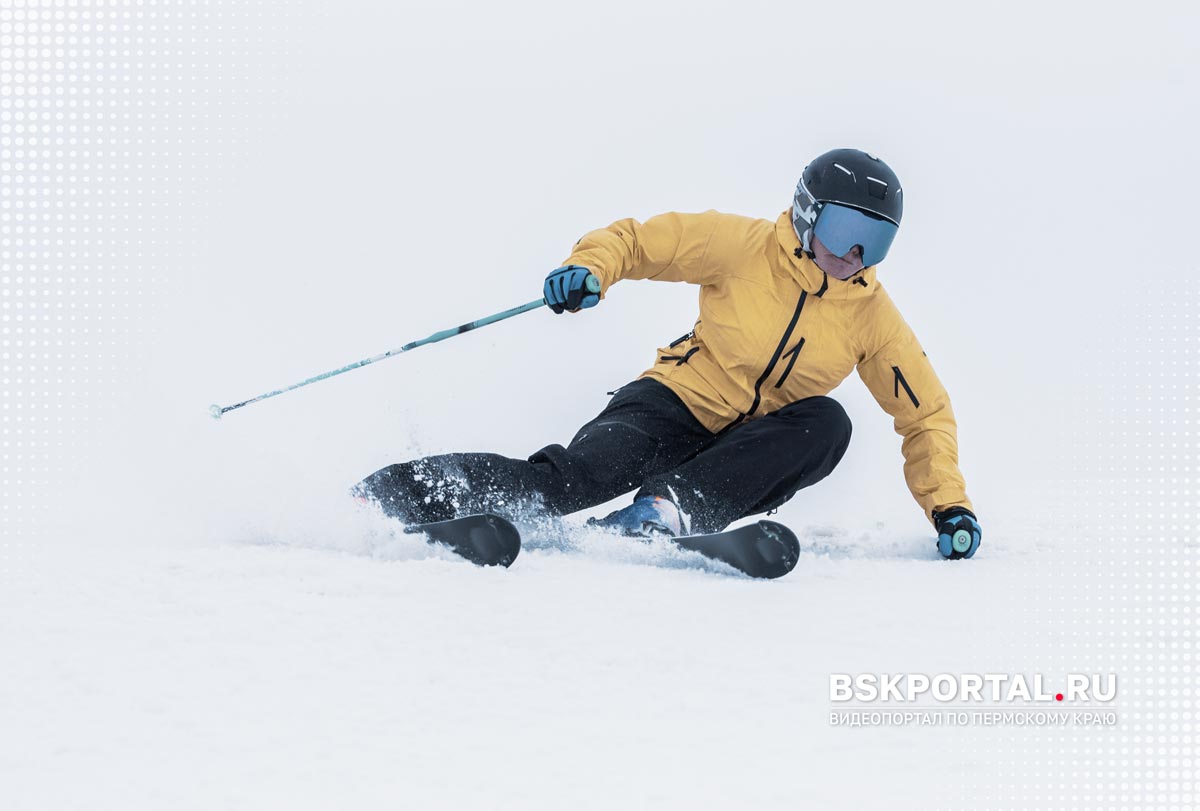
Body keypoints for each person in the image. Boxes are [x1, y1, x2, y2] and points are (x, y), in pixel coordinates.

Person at [356, 148, 982, 559]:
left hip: (744, 452)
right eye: (846, 233)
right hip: (670, 406)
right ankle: (394, 495)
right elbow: (637, 241)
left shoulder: (871, 314)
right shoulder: (741, 246)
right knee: (571, 480)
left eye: (874, 244)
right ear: (806, 213)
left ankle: (667, 512)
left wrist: (950, 506)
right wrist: (589, 269)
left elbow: (924, 413)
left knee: (828, 422)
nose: (854, 258)